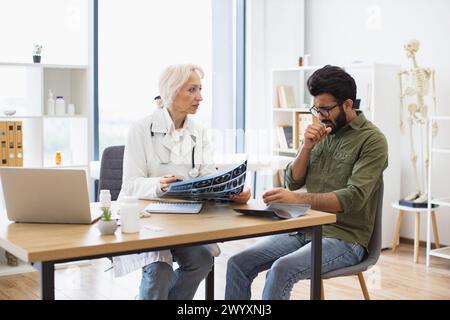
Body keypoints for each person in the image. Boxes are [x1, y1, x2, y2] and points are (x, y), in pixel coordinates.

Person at [225, 65, 388, 300]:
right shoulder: (320, 132)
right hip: (304, 228)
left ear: (348, 104)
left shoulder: (372, 140)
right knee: (238, 263)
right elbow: (292, 181)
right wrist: (306, 147)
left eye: (325, 109)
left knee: (281, 269)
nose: (319, 114)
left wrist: (297, 199)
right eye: (315, 108)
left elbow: (352, 198)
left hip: (345, 238)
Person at [114, 64, 251, 300]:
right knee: (159, 271)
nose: (200, 97)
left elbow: (209, 175)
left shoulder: (199, 132)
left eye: (200, 89)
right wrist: (159, 185)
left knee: (202, 259)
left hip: (185, 220)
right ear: (171, 90)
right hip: (148, 221)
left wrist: (230, 191)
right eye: (192, 89)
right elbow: (130, 185)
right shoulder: (140, 129)